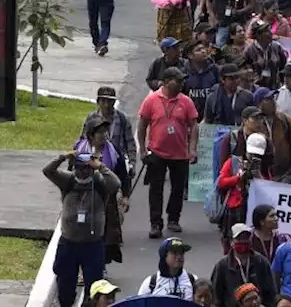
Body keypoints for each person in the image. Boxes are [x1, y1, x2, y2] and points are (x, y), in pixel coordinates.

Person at [44, 151, 120, 307]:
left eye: (86, 168)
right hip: (68, 243)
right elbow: (48, 171)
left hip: (93, 244)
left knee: (94, 286)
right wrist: (62, 157)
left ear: (91, 169)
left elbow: (116, 183)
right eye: (78, 168)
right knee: (65, 284)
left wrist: (101, 166)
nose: (82, 172)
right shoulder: (68, 180)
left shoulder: (99, 182)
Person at [136, 67, 200, 238]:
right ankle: (155, 223)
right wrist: (142, 150)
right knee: (155, 189)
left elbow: (194, 126)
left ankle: (173, 219)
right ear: (165, 82)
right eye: (177, 80)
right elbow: (142, 126)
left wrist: (192, 149)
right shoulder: (151, 100)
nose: (181, 83)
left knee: (178, 189)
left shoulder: (186, 101)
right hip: (157, 152)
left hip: (180, 153)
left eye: (182, 81)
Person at [74, 117, 130, 269]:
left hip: (109, 198)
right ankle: (82, 267)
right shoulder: (79, 152)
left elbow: (123, 176)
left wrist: (125, 196)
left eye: (105, 131)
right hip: (85, 197)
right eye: (99, 132)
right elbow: (71, 174)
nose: (104, 135)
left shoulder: (114, 152)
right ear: (91, 135)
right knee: (83, 232)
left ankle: (101, 266)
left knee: (105, 234)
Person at [210, 224, 277, 307]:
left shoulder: (261, 261)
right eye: (239, 239)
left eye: (246, 238)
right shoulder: (222, 266)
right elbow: (216, 296)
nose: (243, 241)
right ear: (231, 242)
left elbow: (271, 291)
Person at [82, 85, 138, 168]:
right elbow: (84, 139)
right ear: (98, 102)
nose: (106, 105)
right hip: (95, 162)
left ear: (114, 102)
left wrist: (132, 163)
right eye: (103, 101)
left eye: (109, 101)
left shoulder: (122, 118)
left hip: (118, 163)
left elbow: (130, 142)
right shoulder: (91, 118)